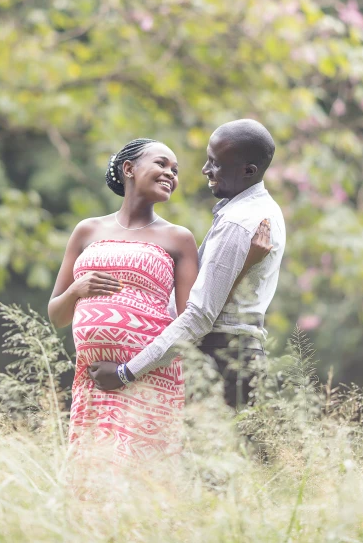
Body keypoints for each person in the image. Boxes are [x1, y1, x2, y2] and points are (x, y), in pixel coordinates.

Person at [48, 137, 270, 462]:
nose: (171, 173)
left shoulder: (178, 239)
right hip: (93, 378)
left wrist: (246, 262)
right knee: (90, 472)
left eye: (175, 170)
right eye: (162, 164)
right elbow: (56, 315)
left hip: (148, 376)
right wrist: (77, 290)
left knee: (141, 480)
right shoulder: (87, 230)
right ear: (129, 169)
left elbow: (195, 316)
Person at [88, 119, 286, 410]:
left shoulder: (238, 223)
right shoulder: (259, 210)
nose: (206, 170)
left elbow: (200, 316)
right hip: (234, 358)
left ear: (248, 171)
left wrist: (125, 372)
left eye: (216, 163)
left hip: (222, 362)